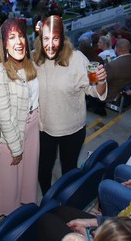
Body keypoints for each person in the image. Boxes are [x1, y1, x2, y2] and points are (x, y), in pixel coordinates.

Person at [33, 15, 107, 195]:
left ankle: (66, 198)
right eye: (46, 38)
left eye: (55, 38)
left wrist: (101, 80)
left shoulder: (77, 59)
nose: (50, 44)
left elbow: (95, 92)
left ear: (62, 38)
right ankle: (47, 198)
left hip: (72, 129)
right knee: (43, 169)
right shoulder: (35, 60)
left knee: (69, 169)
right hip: (44, 129)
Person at [36, 142, 131, 241]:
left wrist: (88, 237)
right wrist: (93, 223)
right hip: (125, 224)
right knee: (59, 211)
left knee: (46, 221)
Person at [0, 18, 39, 216]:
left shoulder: (31, 65)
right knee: (10, 188)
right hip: (10, 137)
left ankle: (26, 217)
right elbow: (3, 114)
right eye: (12, 37)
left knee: (29, 179)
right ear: (5, 44)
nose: (18, 41)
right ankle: (12, 224)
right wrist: (16, 148)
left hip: (33, 127)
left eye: (20, 36)